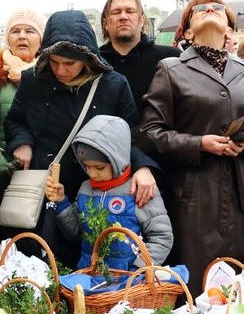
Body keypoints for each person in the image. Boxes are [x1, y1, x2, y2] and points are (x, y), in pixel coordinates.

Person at [138, 0, 244, 296]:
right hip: (195, 194)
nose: (209, 11)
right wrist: (198, 144)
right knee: (199, 284)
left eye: (218, 9)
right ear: (188, 32)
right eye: (199, 10)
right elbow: (150, 132)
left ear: (230, 30)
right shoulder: (170, 69)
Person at [5, 9, 161, 267]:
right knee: (45, 262)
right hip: (48, 190)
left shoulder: (113, 85)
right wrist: (22, 142)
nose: (61, 70)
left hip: (96, 192)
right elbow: (15, 120)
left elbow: (131, 135)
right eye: (54, 62)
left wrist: (143, 167)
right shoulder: (33, 80)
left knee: (93, 262)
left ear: (87, 58)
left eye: (69, 63)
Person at [46, 115, 172, 270]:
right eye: (86, 167)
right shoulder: (86, 188)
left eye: (99, 168)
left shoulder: (139, 189)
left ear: (117, 159)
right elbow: (76, 233)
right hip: (90, 275)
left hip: (128, 281)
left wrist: (138, 270)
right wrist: (61, 202)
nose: (92, 174)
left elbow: (162, 237)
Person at [0, 9, 45, 201]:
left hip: (45, 177)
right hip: (2, 178)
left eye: (30, 31)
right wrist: (2, 170)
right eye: (16, 31)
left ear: (41, 40)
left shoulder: (54, 76)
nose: (22, 36)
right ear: (8, 38)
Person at [99, 0, 181, 113]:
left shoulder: (171, 59)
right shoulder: (94, 63)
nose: (123, 17)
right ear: (105, 22)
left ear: (142, 20)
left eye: (130, 11)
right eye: (116, 12)